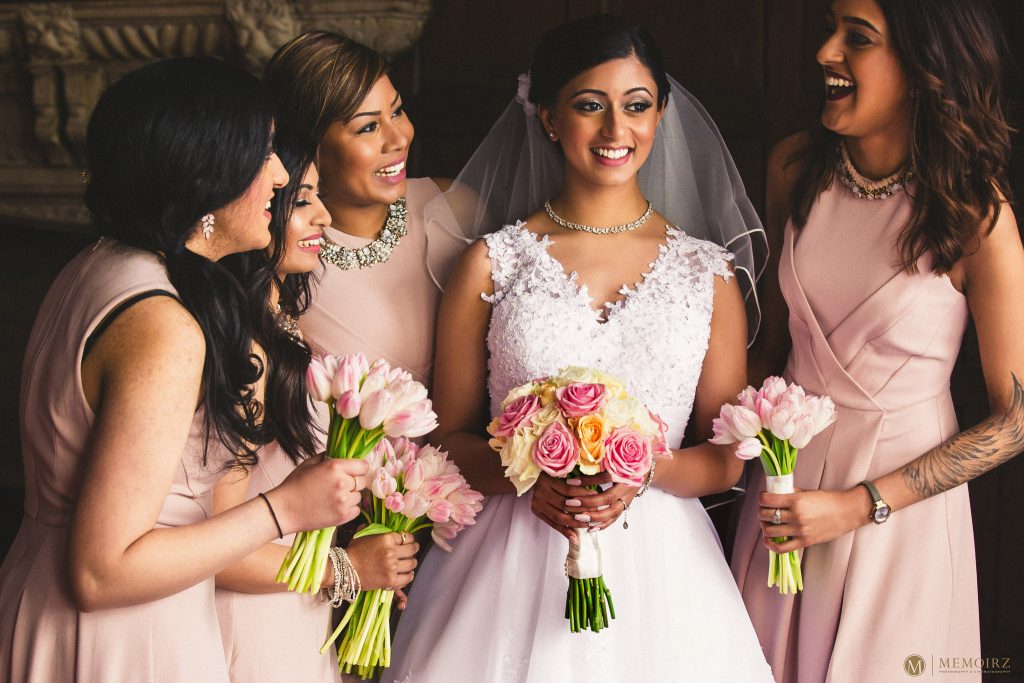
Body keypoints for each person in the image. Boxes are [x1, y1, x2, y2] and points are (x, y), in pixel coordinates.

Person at [388, 15, 774, 681]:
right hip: (504, 560)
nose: (615, 131)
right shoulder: (491, 263)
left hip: (665, 571)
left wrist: (642, 470)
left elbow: (726, 458)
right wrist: (528, 473)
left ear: (661, 113)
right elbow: (447, 438)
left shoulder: (707, 275)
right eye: (590, 106)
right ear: (546, 116)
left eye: (636, 106)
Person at [0, 57, 367, 682]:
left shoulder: (97, 264)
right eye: (263, 153)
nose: (280, 176)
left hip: (40, 603)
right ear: (208, 173)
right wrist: (284, 510)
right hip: (121, 639)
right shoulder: (164, 326)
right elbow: (101, 570)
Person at [731, 1, 1024, 681]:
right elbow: (772, 349)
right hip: (784, 494)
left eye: (856, 39)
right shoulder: (793, 169)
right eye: (831, 30)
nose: (826, 52)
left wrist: (860, 506)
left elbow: (1015, 421)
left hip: (900, 518)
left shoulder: (977, 217)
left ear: (925, 67)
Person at [214, 129, 418, 682]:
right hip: (252, 619)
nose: (325, 216)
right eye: (301, 201)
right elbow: (219, 544)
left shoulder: (282, 329)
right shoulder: (243, 348)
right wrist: (349, 572)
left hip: (291, 604)